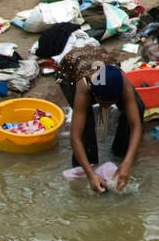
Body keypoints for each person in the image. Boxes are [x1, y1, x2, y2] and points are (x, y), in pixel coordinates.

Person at [58, 46, 143, 193]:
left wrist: (127, 162)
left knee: (138, 107)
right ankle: (86, 168)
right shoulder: (84, 88)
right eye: (105, 103)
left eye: (112, 102)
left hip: (102, 66)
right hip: (70, 71)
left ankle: (120, 153)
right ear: (94, 97)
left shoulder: (122, 83)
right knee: (86, 126)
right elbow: (75, 138)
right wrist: (91, 175)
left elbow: (135, 126)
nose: (108, 107)